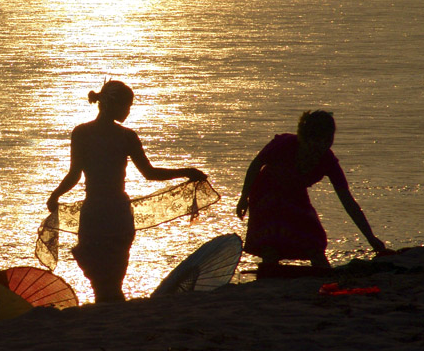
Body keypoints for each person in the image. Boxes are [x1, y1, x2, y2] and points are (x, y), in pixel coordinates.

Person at [47, 80, 207, 303]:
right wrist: (186, 171)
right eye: (127, 106)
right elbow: (150, 173)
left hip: (93, 210)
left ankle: (105, 310)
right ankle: (112, 308)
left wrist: (56, 195)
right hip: (117, 211)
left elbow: (74, 174)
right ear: (113, 105)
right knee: (114, 271)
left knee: (97, 273)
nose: (128, 111)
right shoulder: (126, 136)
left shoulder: (81, 133)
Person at [236, 110, 385, 273]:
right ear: (306, 137)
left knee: (313, 239)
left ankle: (323, 273)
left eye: (328, 139)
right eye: (318, 140)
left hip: (295, 195)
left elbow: (347, 200)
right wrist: (244, 197)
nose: (323, 146)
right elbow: (256, 165)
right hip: (266, 193)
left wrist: (370, 238)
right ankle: (270, 273)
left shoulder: (328, 160)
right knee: (271, 243)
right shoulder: (284, 144)